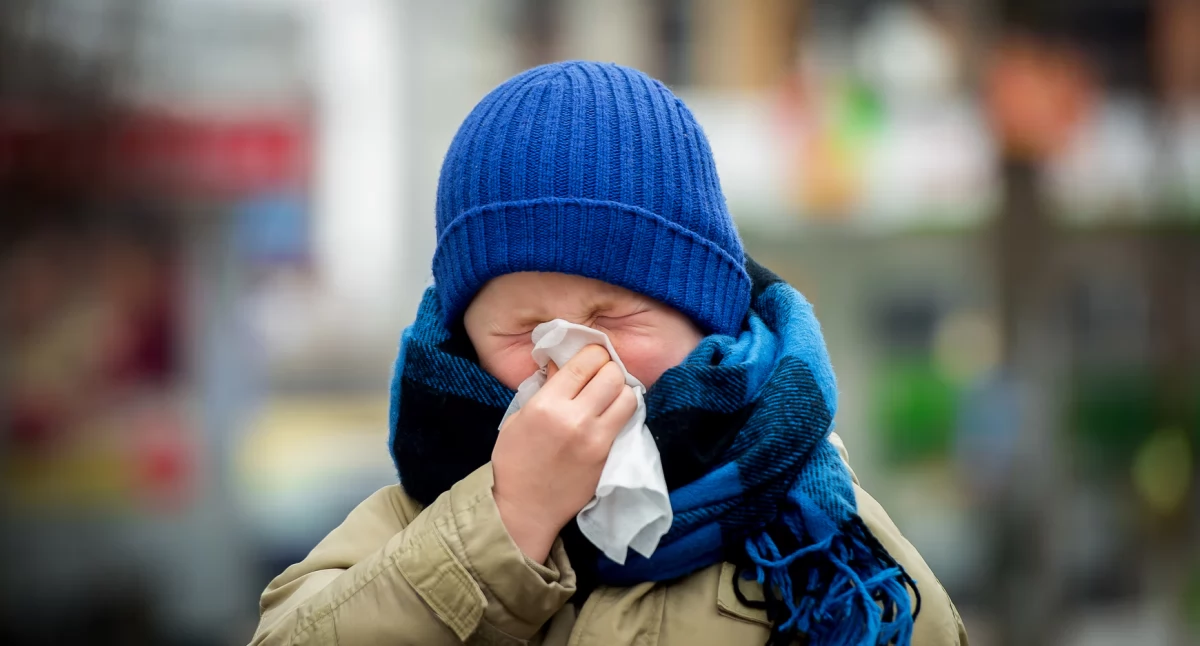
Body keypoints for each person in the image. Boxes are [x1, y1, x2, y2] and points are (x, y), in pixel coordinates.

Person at [251, 61, 968, 646]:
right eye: (523, 329)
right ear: (464, 341)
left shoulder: (825, 542)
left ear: (704, 321)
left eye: (611, 315)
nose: (571, 359)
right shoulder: (411, 523)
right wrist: (503, 524)